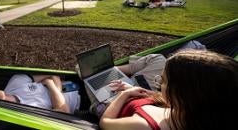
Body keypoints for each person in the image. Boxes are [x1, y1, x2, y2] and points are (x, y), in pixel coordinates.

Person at [99, 50, 238, 130]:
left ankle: (102, 72)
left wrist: (124, 94)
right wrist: (143, 91)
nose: (159, 82)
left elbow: (105, 122)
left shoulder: (143, 126)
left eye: (164, 81)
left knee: (95, 81)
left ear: (184, 93)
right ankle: (112, 71)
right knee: (158, 58)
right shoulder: (190, 111)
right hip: (139, 94)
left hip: (109, 103)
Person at [0, 74, 80, 114]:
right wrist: (49, 84)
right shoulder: (25, 113)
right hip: (85, 103)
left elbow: (53, 74)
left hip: (78, 80)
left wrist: (57, 91)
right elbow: (65, 112)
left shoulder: (15, 81)